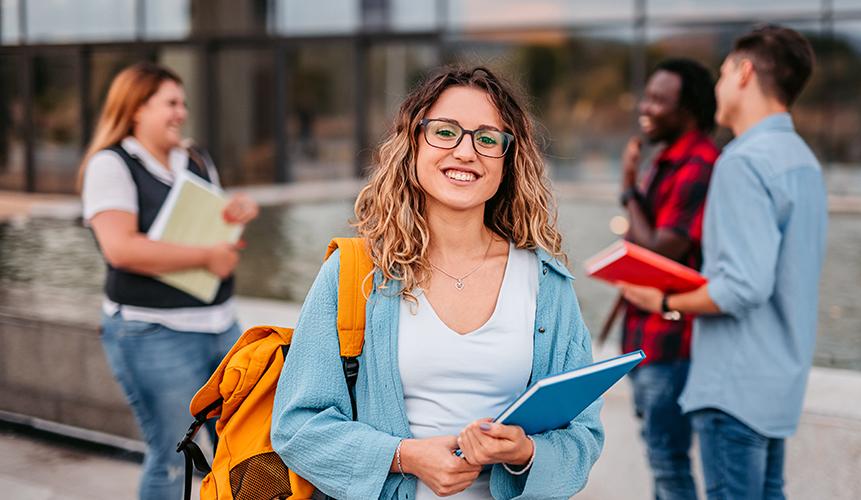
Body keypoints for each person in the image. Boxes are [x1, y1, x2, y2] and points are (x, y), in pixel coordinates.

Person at [271, 66, 604, 500]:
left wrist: (526, 453)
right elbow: (298, 425)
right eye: (445, 132)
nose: (466, 152)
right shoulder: (356, 272)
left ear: (509, 159)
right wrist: (403, 456)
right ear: (412, 144)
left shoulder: (546, 284)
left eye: (487, 138)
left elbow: (584, 434)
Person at [619, 25, 827, 500]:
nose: (716, 87)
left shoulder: (743, 161)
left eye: (721, 73)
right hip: (778, 384)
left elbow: (741, 287)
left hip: (732, 387)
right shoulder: (802, 161)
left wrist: (663, 299)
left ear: (744, 72)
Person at [78, 62, 259, 500]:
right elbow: (120, 249)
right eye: (171, 103)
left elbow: (212, 230)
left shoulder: (194, 157)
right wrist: (205, 256)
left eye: (183, 102)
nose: (182, 112)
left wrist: (234, 215)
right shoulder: (112, 164)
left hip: (221, 326)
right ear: (136, 109)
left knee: (243, 452)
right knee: (172, 455)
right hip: (152, 333)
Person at [618, 58, 718, 500]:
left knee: (667, 462)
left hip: (672, 341)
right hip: (651, 337)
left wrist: (628, 190)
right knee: (662, 460)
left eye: (660, 99)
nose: (646, 107)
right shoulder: (668, 160)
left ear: (688, 110)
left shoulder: (698, 164)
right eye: (647, 95)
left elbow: (657, 253)